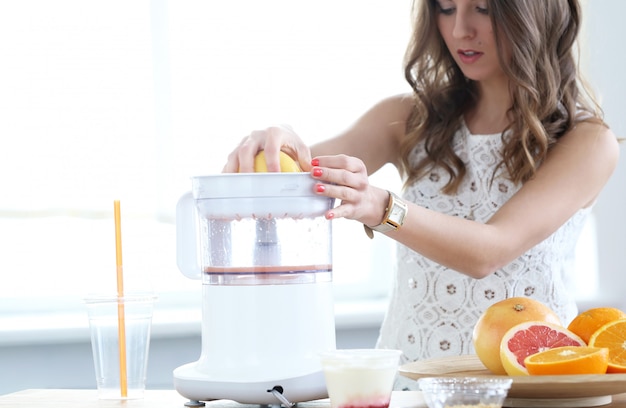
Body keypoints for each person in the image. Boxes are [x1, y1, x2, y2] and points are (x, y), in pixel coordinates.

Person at [223, 0, 619, 366]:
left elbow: (489, 251)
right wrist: (282, 141)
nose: (461, 29)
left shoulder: (586, 142)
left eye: (482, 8)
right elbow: (301, 172)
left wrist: (382, 209)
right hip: (409, 381)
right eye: (446, 8)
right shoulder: (408, 118)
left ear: (535, 14)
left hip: (527, 381)